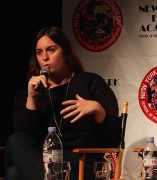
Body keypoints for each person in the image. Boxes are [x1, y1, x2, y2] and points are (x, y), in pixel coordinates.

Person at [5, 26, 121, 180]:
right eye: (39, 52)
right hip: (43, 162)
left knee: (14, 174)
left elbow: (113, 139)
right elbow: (25, 142)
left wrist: (98, 110)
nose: (45, 57)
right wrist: (32, 98)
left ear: (65, 53)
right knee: (15, 146)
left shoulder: (91, 83)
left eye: (51, 50)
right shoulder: (29, 93)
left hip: (80, 163)